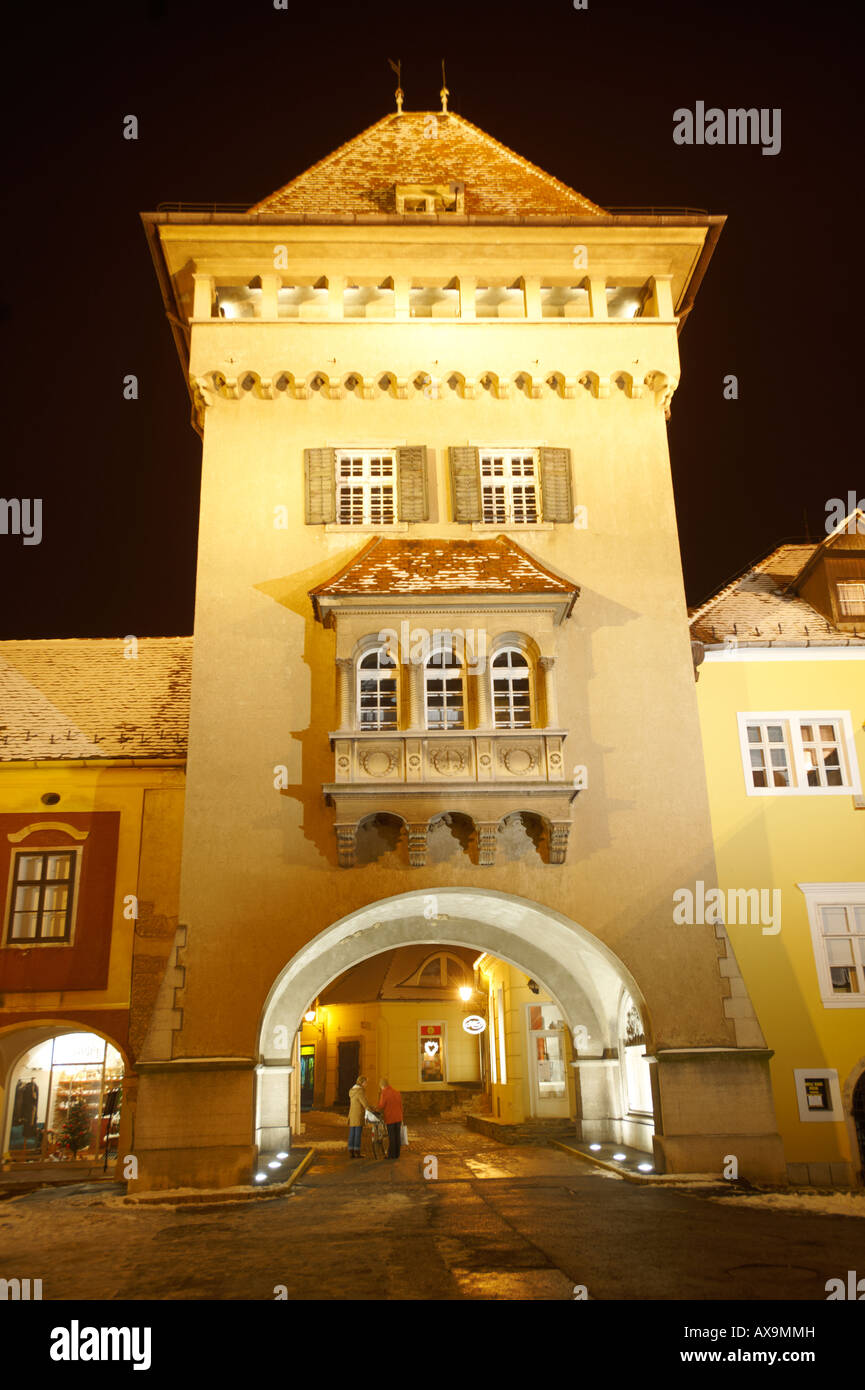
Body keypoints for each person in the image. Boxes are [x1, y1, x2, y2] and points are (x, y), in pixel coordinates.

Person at [347, 1076, 375, 1159]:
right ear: (362, 1082)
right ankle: (357, 1152)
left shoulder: (352, 1091)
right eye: (365, 1082)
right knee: (357, 1134)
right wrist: (371, 1109)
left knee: (352, 1133)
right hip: (358, 1115)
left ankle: (351, 1151)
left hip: (352, 1114)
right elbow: (365, 1103)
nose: (366, 1084)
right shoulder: (360, 1091)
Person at [377, 1077, 404, 1160]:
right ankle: (397, 1154)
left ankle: (391, 1155)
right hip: (398, 1117)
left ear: (382, 1085)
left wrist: (376, 1108)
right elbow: (401, 1105)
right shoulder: (397, 1092)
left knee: (392, 1136)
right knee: (397, 1136)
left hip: (390, 1117)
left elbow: (381, 1105)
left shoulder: (384, 1093)